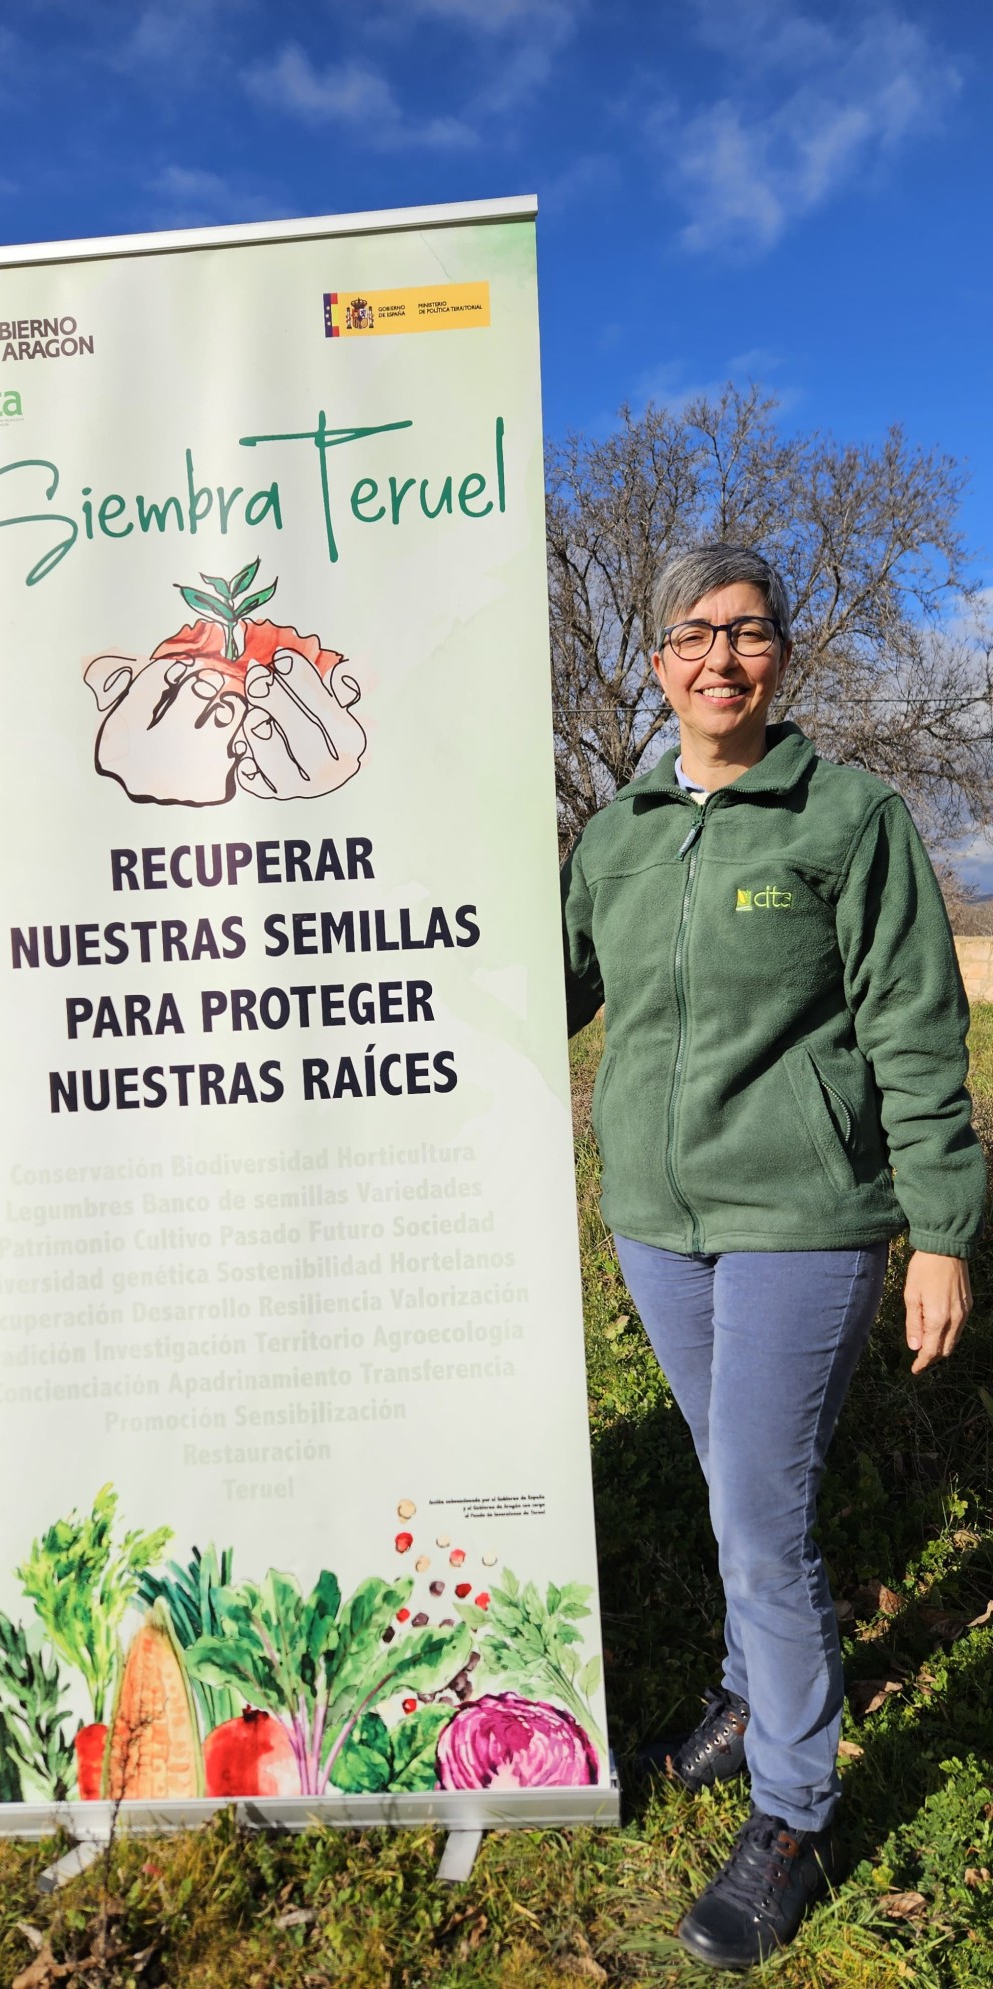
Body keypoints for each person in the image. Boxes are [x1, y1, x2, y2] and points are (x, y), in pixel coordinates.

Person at [561, 542, 984, 1971]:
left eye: (748, 633)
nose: (720, 659)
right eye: (694, 634)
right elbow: (531, 988)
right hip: (660, 1222)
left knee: (761, 1510)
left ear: (782, 655)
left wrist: (938, 1229)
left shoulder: (849, 819)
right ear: (659, 660)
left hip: (802, 1217)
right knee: (733, 1478)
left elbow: (920, 1034)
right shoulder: (614, 832)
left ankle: (797, 1807)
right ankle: (749, 1692)